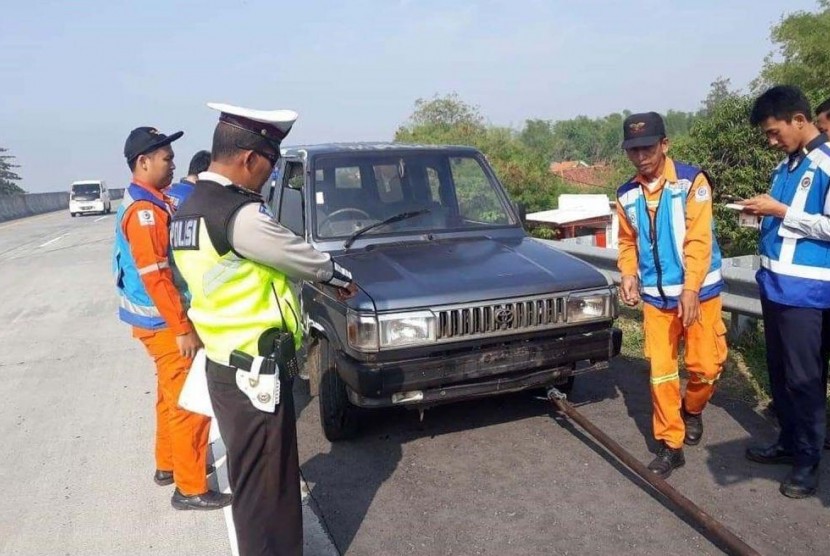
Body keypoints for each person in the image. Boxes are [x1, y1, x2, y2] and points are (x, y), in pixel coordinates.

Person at [170, 103, 357, 556]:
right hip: (254, 372)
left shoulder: (188, 208)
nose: (270, 177)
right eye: (271, 166)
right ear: (250, 159)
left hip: (225, 362)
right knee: (265, 486)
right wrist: (338, 276)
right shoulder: (238, 213)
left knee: (255, 476)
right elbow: (294, 253)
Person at [114, 127, 231, 510]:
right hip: (165, 324)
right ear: (143, 162)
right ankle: (191, 486)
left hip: (155, 323)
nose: (173, 162)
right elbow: (157, 277)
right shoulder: (145, 212)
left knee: (168, 397)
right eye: (166, 157)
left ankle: (168, 464)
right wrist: (182, 327)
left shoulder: (151, 200)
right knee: (189, 403)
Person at [616, 112, 728, 479]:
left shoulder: (691, 182)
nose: (641, 157)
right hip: (656, 301)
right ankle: (671, 444)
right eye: (633, 150)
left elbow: (698, 238)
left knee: (705, 368)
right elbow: (627, 241)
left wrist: (692, 287)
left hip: (701, 294)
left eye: (647, 147)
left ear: (665, 144)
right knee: (661, 374)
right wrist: (628, 273)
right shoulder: (626, 193)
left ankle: (692, 409)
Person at [741, 85, 830, 498]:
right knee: (780, 374)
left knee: (805, 379)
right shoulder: (785, 167)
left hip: (807, 292)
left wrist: (781, 211)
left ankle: (809, 459)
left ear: (800, 119)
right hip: (774, 286)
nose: (772, 141)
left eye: (776, 132)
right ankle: (788, 441)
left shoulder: (827, 163)